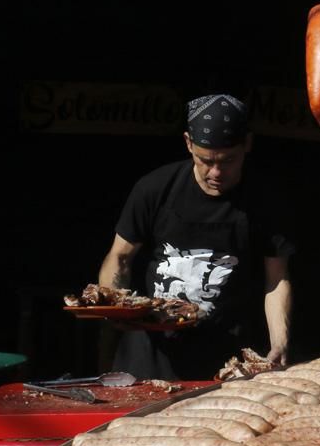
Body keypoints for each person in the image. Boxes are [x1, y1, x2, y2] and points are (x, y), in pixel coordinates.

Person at [97, 94, 294, 379]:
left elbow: (276, 279)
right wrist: (115, 308)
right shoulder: (155, 189)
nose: (216, 172)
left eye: (228, 161)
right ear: (188, 143)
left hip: (226, 351)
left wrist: (280, 341)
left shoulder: (265, 200)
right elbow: (120, 256)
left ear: (247, 145)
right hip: (152, 350)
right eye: (206, 160)